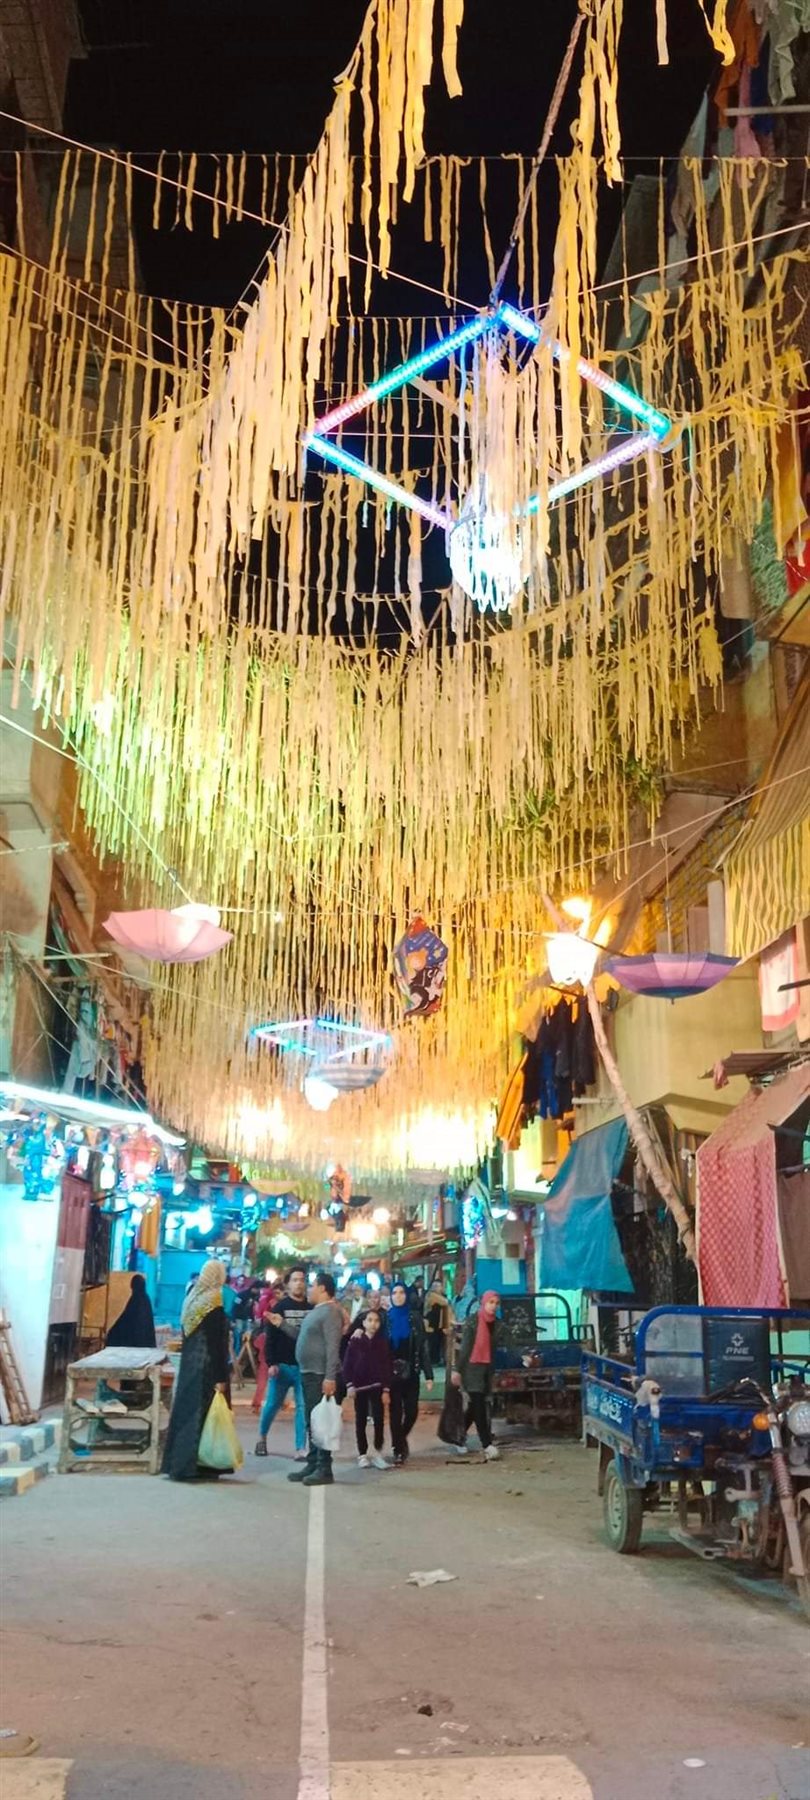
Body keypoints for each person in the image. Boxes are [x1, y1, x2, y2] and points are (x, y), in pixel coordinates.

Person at [162, 1260, 232, 1482]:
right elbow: (216, 1344)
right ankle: (201, 1465)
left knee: (186, 1413)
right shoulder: (214, 1302)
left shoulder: (192, 1298)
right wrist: (220, 1376)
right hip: (207, 1368)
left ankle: (178, 1464)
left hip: (189, 1366)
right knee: (205, 1416)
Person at [288, 1271, 343, 1488]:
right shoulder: (317, 1311)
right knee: (312, 1421)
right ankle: (312, 1463)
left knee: (321, 1423)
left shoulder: (331, 1312)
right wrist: (281, 1324)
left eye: (312, 1285)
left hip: (319, 1374)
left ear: (322, 1288)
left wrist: (330, 1376)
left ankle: (324, 1467)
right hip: (308, 1372)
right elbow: (303, 1337)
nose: (308, 1289)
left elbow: (333, 1346)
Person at [255, 1266, 311, 1460]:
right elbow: (270, 1338)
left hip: (303, 1366)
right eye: (295, 1280)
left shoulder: (311, 1308)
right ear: (288, 1284)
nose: (299, 1283)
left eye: (302, 1280)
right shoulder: (279, 1308)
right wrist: (271, 1362)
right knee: (272, 1404)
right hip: (282, 1366)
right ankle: (262, 1437)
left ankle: (300, 1447)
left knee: (302, 1407)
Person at [387, 1280, 433, 1466]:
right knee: (395, 1412)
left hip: (412, 1371)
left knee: (412, 1411)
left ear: (406, 1295)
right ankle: (398, 1449)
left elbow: (422, 1346)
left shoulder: (415, 1318)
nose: (398, 1296)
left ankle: (400, 1439)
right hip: (391, 1373)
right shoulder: (385, 1318)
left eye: (401, 1293)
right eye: (395, 1293)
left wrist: (428, 1374)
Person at [452, 1290, 501, 1461]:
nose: (493, 1306)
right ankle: (487, 1444)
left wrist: (523, 1355)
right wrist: (457, 1370)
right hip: (471, 1369)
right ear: (483, 1303)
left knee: (474, 1408)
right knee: (479, 1406)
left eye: (496, 1303)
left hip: (486, 1370)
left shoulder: (497, 1324)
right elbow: (465, 1348)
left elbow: (510, 1340)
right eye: (490, 1302)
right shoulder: (472, 1321)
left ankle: (458, 1436)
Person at [343, 1307, 393, 1469]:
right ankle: (362, 1454)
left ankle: (378, 1452)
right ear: (363, 1323)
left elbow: (387, 1366)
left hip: (377, 1386)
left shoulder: (382, 1343)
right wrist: (350, 1385)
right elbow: (348, 1364)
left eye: (376, 1321)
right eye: (370, 1320)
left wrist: (386, 1389)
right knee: (361, 1420)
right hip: (360, 1388)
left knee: (379, 1419)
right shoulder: (355, 1341)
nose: (373, 1324)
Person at [105, 1273, 156, 1348]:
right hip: (145, 1341)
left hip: (135, 1339)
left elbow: (127, 1317)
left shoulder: (136, 1299)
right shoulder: (145, 1299)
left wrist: (112, 1331)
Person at [424, 1274, 450, 1367]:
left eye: (439, 1286)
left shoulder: (443, 1296)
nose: (438, 1288)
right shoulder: (431, 1296)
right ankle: (433, 1360)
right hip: (431, 1323)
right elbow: (445, 1302)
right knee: (433, 1343)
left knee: (439, 1342)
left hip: (440, 1323)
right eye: (436, 1286)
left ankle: (439, 1359)